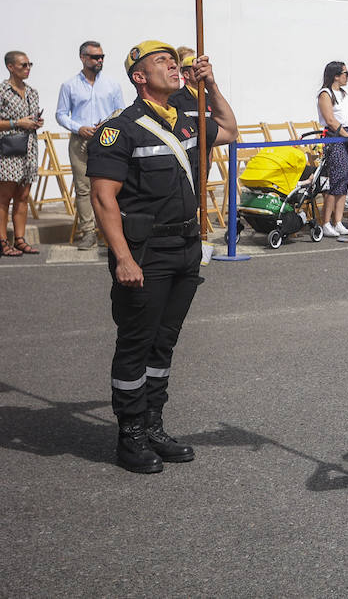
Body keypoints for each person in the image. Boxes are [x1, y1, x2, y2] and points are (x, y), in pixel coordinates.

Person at [87, 41, 237, 473]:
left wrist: (210, 83)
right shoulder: (121, 128)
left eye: (175, 61)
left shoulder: (188, 117)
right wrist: (122, 258)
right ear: (139, 76)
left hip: (185, 248)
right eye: (161, 62)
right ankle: (130, 434)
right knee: (136, 343)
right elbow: (103, 198)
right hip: (145, 252)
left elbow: (229, 128)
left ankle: (153, 424)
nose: (173, 66)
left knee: (163, 343)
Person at [56, 41, 126, 250]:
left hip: (107, 139)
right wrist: (79, 128)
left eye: (102, 57)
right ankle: (88, 232)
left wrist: (107, 123)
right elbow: (61, 114)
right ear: (83, 58)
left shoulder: (112, 85)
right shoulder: (69, 85)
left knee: (111, 185)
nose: (100, 61)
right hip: (81, 139)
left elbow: (120, 110)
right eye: (95, 57)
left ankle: (110, 230)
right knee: (83, 187)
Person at [0, 51, 44, 257]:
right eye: (23, 65)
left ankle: (19, 239)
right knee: (4, 197)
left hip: (29, 148)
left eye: (30, 64)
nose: (27, 68)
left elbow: (29, 118)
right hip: (8, 150)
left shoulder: (32, 92)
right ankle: (2, 241)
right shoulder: (2, 91)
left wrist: (35, 122)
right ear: (10, 66)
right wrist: (17, 123)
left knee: (23, 196)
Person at [316, 62, 348, 237]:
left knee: (345, 179)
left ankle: (338, 221)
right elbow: (331, 120)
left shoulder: (346, 93)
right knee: (335, 179)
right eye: (345, 73)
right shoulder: (325, 94)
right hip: (335, 135)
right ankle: (326, 222)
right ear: (336, 75)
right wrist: (346, 136)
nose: (347, 76)